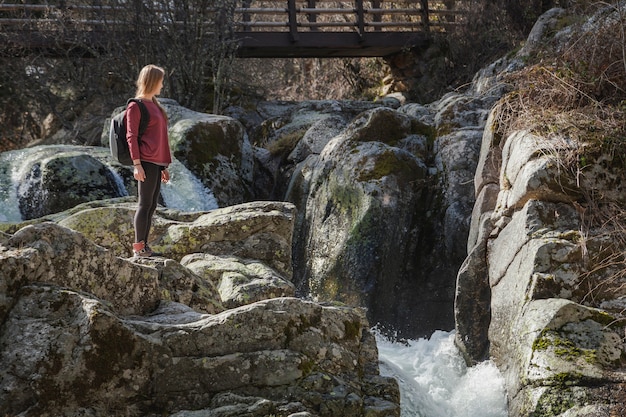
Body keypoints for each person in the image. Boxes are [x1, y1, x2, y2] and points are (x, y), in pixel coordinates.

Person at [126, 64, 172, 257]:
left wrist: (163, 166)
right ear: (153, 81)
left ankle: (145, 245)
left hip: (156, 162)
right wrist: (137, 164)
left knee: (152, 204)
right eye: (160, 80)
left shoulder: (156, 105)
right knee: (144, 204)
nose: (162, 84)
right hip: (144, 161)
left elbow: (159, 137)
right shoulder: (136, 106)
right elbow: (131, 136)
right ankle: (138, 247)